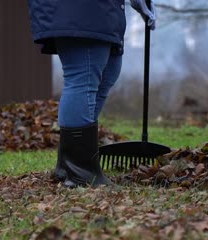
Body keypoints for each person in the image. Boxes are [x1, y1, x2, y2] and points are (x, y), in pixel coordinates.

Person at [27, 0, 156, 188]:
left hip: (100, 10)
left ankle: (69, 166)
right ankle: (80, 172)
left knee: (109, 70)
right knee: (83, 75)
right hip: (80, 8)